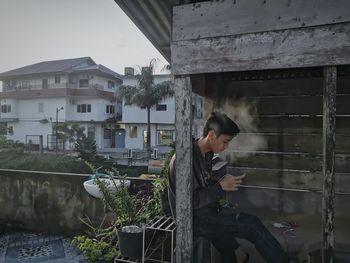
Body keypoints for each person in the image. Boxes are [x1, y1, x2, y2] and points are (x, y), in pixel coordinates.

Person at [168, 112, 290, 263]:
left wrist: (223, 183)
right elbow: (188, 203)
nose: (227, 146)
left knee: (229, 243)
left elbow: (205, 185)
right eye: (225, 141)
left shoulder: (206, 154)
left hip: (206, 213)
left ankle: (238, 255)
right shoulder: (185, 158)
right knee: (251, 224)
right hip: (191, 220)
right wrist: (220, 186)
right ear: (212, 135)